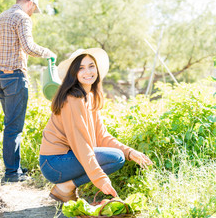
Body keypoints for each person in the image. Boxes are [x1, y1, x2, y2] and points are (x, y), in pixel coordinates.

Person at [39, 48, 152, 202]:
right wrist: (100, 179)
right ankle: (65, 187)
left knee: (119, 156)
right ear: (74, 73)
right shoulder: (73, 99)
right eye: (81, 68)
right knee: (115, 157)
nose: (88, 72)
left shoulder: (89, 97)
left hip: (65, 159)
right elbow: (81, 144)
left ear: (97, 69)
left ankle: (66, 188)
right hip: (54, 163)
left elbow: (102, 136)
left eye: (91, 66)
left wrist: (130, 152)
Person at [0, 0, 57, 182]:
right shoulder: (23, 18)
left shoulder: (0, 18)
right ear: (30, 3)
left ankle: (14, 168)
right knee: (14, 127)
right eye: (34, 7)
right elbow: (28, 47)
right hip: (15, 77)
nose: (33, 11)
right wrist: (48, 53)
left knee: (10, 124)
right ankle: (12, 174)